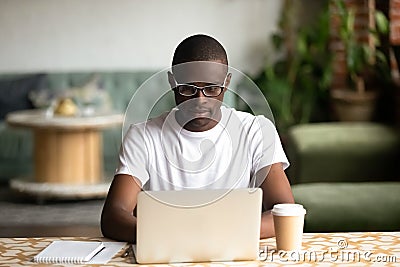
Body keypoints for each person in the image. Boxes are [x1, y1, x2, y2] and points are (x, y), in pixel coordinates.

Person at [101, 34, 294, 243]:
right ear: (172, 82)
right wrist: (175, 238)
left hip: (231, 249)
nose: (200, 100)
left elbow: (284, 212)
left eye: (212, 89)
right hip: (168, 251)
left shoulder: (257, 131)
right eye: (188, 89)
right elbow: (113, 216)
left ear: (226, 82)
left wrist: (214, 235)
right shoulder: (143, 137)